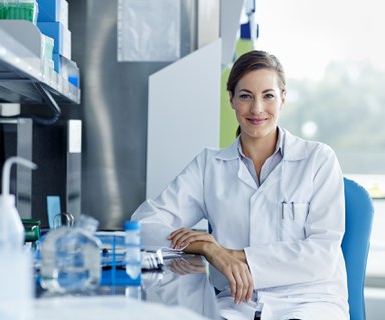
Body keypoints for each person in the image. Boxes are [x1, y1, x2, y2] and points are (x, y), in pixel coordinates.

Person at [131, 50, 349, 320]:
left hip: (309, 301)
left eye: (268, 95)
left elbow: (321, 255)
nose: (257, 108)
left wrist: (230, 254)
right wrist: (207, 249)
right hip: (238, 303)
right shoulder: (210, 165)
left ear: (283, 98)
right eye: (245, 96)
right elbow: (143, 226)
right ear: (231, 100)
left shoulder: (317, 159)